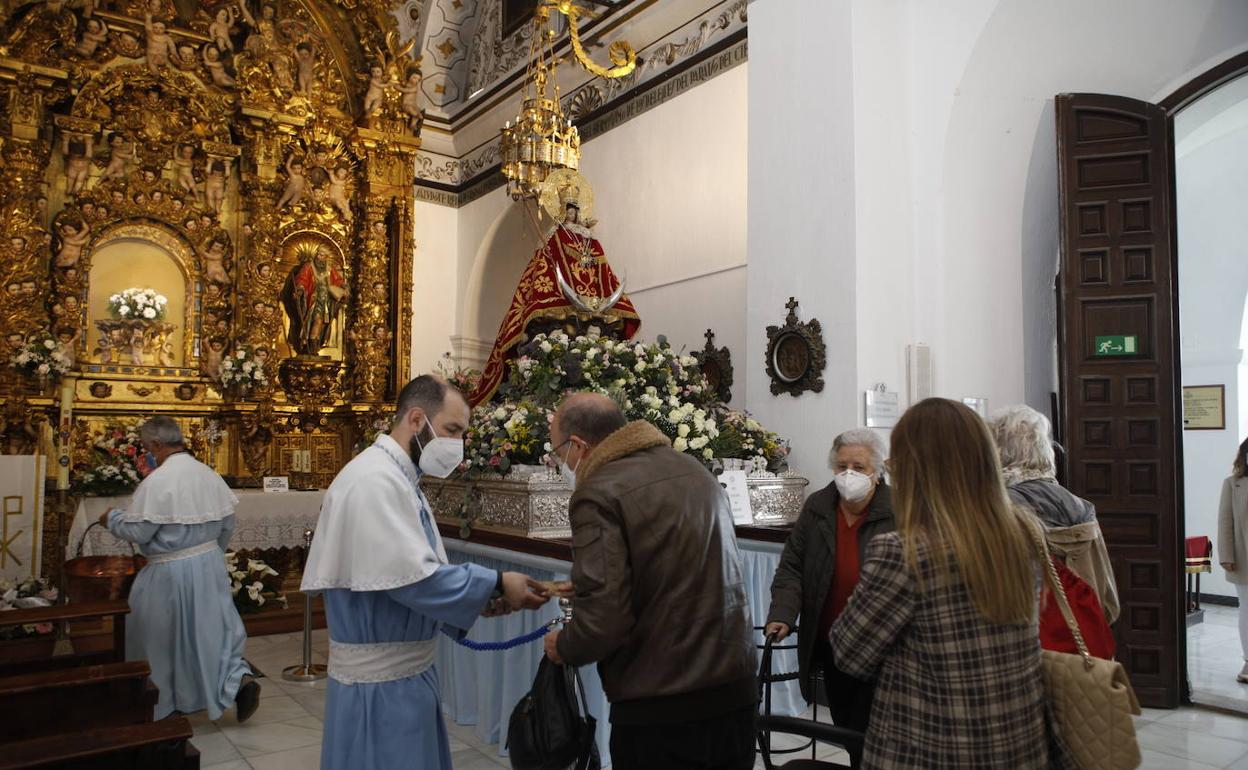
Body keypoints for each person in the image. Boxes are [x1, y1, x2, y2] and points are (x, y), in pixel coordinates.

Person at [302, 375, 549, 770]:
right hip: (381, 690)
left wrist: (482, 600)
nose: (458, 446)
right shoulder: (374, 481)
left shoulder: (398, 477)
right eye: (452, 430)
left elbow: (403, 575)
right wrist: (496, 582)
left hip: (403, 677)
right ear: (417, 420)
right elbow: (413, 579)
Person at [831, 398, 1076, 769]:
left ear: (916, 472)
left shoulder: (904, 552)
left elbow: (850, 653)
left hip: (935, 748)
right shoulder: (1022, 535)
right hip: (1017, 743)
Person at [542, 393, 756, 770]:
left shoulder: (597, 492)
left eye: (559, 451)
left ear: (578, 445)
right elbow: (686, 566)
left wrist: (565, 645)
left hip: (662, 701)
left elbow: (604, 621)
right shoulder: (693, 469)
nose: (561, 462)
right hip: (733, 686)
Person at [99, 416, 259, 722]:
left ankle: (161, 701)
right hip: (209, 564)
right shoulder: (208, 475)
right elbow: (227, 524)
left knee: (158, 635)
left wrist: (113, 520)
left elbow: (141, 532)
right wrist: (207, 556)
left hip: (169, 571)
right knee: (212, 632)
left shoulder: (158, 481)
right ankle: (236, 680)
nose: (148, 453)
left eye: (147, 448)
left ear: (157, 445)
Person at [765, 428, 894, 732]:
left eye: (859, 467)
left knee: (872, 734)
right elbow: (792, 567)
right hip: (832, 644)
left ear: (876, 471)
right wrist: (782, 613)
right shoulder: (818, 507)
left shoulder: (898, 511)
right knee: (846, 726)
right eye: (842, 466)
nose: (849, 474)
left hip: (880, 647)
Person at [989, 405, 1119, 623]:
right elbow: (1107, 598)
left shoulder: (1000, 507)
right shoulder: (1080, 506)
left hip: (1032, 636)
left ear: (998, 452)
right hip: (1082, 633)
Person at [1218, 436, 1248, 683]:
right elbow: (1225, 521)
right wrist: (1227, 555)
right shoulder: (1233, 484)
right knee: (1247, 610)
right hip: (1244, 558)